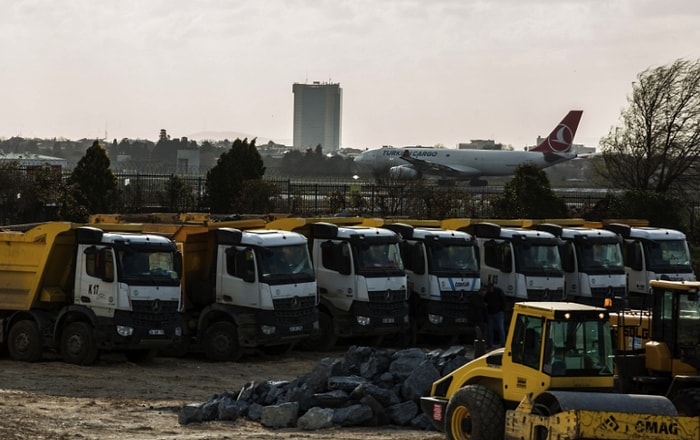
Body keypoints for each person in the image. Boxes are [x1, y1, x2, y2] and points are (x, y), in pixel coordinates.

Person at [484, 282, 506, 349]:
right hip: (490, 313)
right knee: (490, 330)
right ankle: (490, 345)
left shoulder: (499, 291)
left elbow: (503, 300)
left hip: (498, 313)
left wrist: (502, 309)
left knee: (501, 329)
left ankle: (503, 344)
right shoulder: (487, 294)